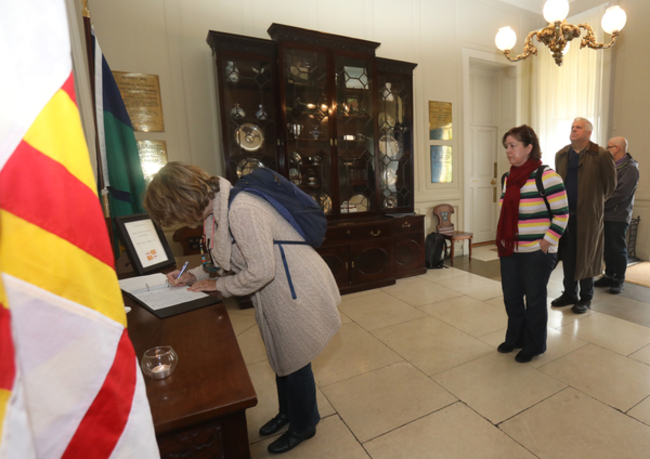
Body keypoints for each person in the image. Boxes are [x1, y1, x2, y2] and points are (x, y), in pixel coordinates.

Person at [144, 162, 341, 454]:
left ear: (184, 200)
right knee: (281, 355)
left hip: (295, 286)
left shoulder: (241, 209)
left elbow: (261, 271)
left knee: (296, 359)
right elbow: (220, 260)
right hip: (276, 290)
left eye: (177, 215)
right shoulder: (216, 211)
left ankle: (304, 425)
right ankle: (289, 414)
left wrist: (217, 287)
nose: (182, 223)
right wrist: (194, 276)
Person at [496, 125, 569, 363]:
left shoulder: (547, 176)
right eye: (506, 146)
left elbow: (562, 214)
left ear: (529, 148)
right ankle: (515, 338)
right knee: (511, 297)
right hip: (511, 250)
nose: (508, 150)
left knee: (535, 299)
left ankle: (534, 345)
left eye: (513, 145)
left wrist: (547, 242)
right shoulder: (507, 178)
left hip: (536, 252)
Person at [552, 118, 616, 314]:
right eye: (572, 127)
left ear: (588, 133)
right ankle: (570, 293)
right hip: (566, 216)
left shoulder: (601, 155)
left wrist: (593, 203)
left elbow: (610, 185)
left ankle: (586, 297)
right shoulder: (562, 155)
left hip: (588, 216)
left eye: (578, 128)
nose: (574, 130)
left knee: (587, 256)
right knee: (569, 256)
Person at [594, 136, 639, 293]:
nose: (606, 150)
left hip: (618, 214)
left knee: (617, 247)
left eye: (608, 147)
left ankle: (619, 278)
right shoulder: (610, 165)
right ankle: (609, 275)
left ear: (617, 148)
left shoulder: (631, 168)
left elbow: (620, 194)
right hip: (605, 213)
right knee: (607, 246)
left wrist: (598, 203)